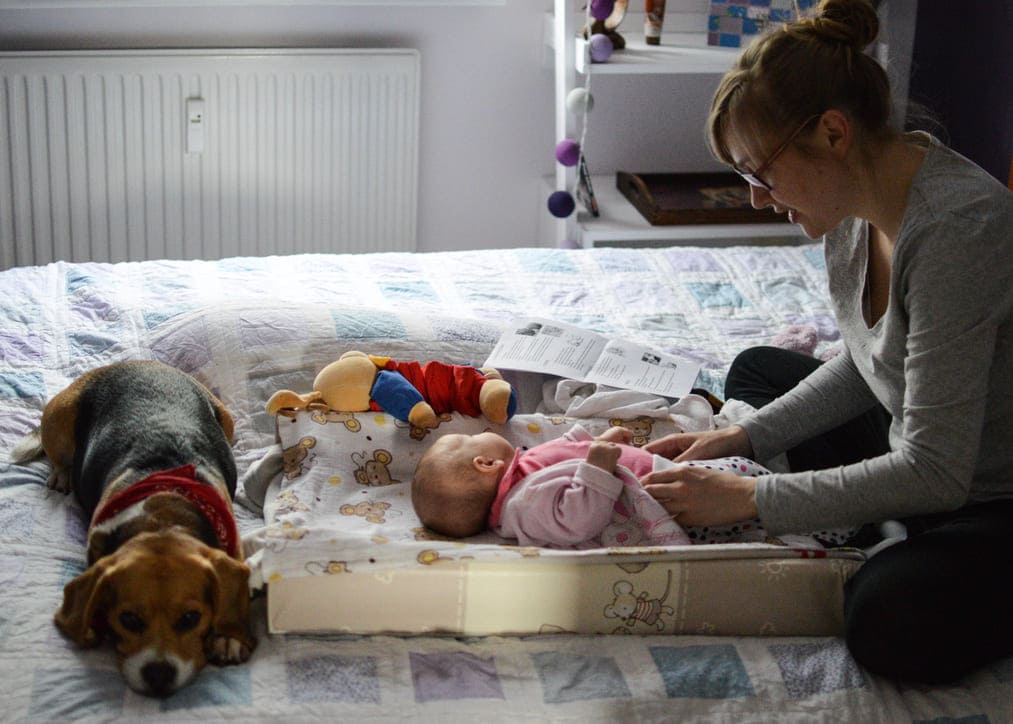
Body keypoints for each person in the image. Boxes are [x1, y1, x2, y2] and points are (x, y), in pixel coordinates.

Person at [638, 0, 1013, 684]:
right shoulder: (850, 206)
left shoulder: (961, 231)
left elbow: (936, 470)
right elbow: (868, 364)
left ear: (833, 134)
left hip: (984, 491)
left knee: (885, 621)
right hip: (919, 443)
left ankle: (881, 533)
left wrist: (747, 501)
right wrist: (740, 443)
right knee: (755, 370)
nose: (755, 199)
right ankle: (867, 517)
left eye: (760, 172)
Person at [412, 424, 691, 547]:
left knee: (731, 468)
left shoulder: (521, 471)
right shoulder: (523, 504)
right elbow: (576, 520)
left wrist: (598, 440)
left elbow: (561, 452)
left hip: (663, 469)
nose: (483, 432)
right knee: (732, 471)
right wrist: (597, 468)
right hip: (669, 492)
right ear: (485, 463)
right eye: (473, 436)